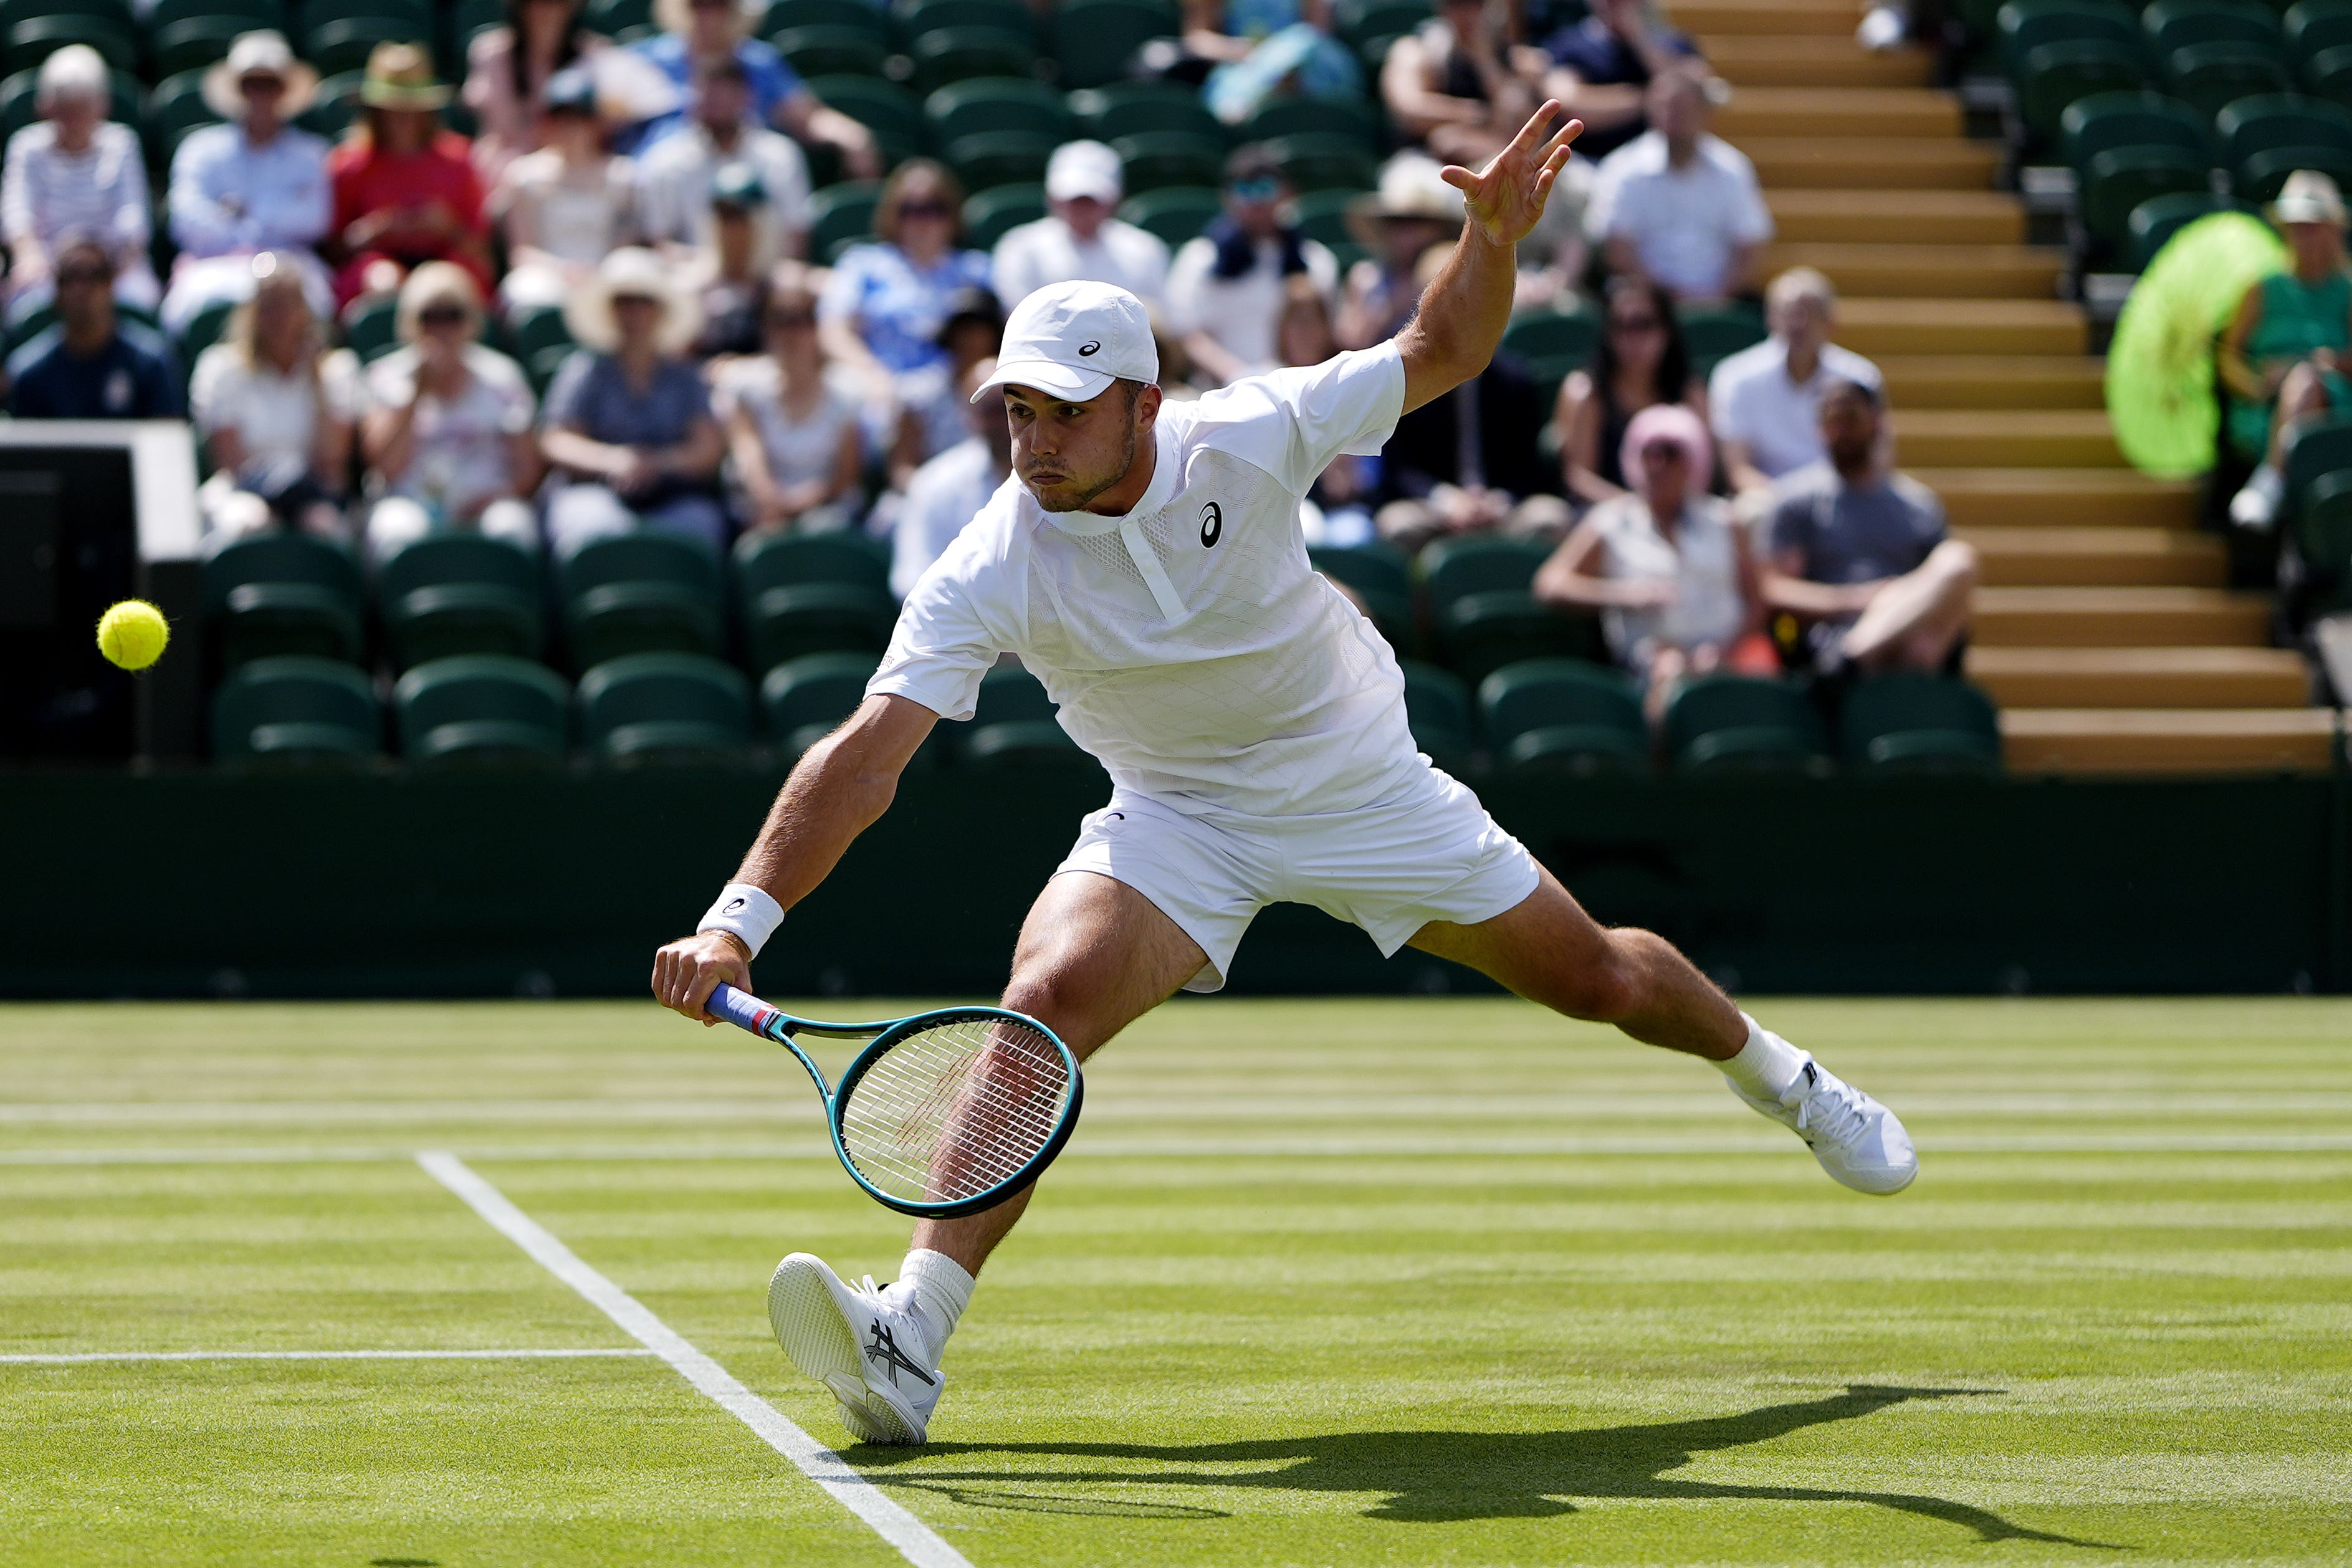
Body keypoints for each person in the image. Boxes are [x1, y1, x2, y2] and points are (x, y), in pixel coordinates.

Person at [650, 105, 1916, 1450]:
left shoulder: (1248, 432)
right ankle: (911, 1333)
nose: (1034, 438)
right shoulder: (989, 560)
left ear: (1143, 401)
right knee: (1043, 1004)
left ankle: (1785, 1078)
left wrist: (1487, 240)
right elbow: (866, 756)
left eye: (1065, 412)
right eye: (1018, 408)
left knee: (1601, 976)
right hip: (1178, 816)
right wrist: (740, 915)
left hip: (1360, 783)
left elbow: (1442, 351)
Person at [1533, 402, 1762, 720]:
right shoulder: (1612, 521)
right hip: (1651, 665)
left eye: (1670, 453)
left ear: (1692, 460)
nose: (1658, 465)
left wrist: (1723, 652)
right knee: (1669, 682)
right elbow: (1550, 583)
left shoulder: (1725, 521)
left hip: (1729, 656)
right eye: (1648, 453)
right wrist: (1624, 594)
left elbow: (1755, 601)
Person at [1761, 377, 1976, 675]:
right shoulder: (1796, 501)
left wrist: (1891, 601)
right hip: (1828, 638)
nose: (1840, 431)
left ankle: (1853, 659)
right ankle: (1851, 657)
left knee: (1959, 560)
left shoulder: (1919, 506)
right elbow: (1776, 589)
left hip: (1901, 638)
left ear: (1876, 422)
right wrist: (1856, 599)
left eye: (1850, 419)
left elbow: (1943, 594)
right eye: (1830, 421)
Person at [540, 246, 728, 552]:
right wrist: (611, 461)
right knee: (592, 530)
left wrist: (657, 464)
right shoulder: (585, 369)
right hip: (596, 493)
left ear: (660, 309)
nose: (634, 312)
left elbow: (707, 448)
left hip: (674, 498)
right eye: (624, 301)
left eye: (644, 301)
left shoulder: (685, 376)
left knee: (698, 529)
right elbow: (557, 439)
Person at [358, 262, 543, 560]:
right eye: (430, 317)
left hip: (486, 499)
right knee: (395, 532)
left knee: (512, 527)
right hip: (411, 500)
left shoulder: (502, 376)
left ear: (471, 319)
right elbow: (385, 468)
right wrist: (416, 392)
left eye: (452, 315)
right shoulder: (387, 377)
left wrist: (490, 498)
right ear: (410, 322)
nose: (442, 329)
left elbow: (527, 469)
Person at [163, 31, 335, 335]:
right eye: (251, 85)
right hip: (214, 267)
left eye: (270, 85)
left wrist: (242, 214)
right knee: (181, 312)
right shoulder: (199, 149)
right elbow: (187, 222)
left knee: (321, 305)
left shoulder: (311, 154)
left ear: (284, 91)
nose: (260, 95)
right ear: (238, 90)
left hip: (292, 266)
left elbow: (314, 219)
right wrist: (262, 226)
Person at [189, 252, 360, 540]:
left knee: (326, 526)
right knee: (250, 523)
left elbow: (332, 467)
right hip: (242, 490)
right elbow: (230, 463)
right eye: (268, 305)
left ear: (305, 310)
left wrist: (317, 381)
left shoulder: (337, 371)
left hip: (314, 495)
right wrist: (277, 497)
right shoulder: (221, 368)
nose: (279, 316)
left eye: (288, 303)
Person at [2224, 172, 2352, 529]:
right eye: (2296, 226)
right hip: (2264, 406)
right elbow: (2230, 357)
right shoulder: (2261, 288)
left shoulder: (2349, 291)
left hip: (2335, 402)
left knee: (2306, 381)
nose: (2304, 235)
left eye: (2313, 225)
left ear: (2333, 230)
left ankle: (2272, 480)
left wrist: (2331, 362)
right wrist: (2256, 383)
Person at [325, 44, 493, 310]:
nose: (403, 118)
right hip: (376, 267)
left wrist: (447, 227)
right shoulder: (348, 165)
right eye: (393, 108)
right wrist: (372, 232)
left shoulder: (459, 161)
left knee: (441, 290)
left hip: (443, 263)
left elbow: (482, 254)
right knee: (384, 282)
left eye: (412, 107)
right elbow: (331, 252)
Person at [629, 0, 878, 178]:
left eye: (717, 5)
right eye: (699, 5)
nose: (707, 14)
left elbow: (806, 115)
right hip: (665, 178)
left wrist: (851, 136)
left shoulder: (759, 61)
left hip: (745, 173)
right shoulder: (650, 61)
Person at [1, 46, 158, 323]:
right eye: (64, 108)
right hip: (47, 267)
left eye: (80, 108)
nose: (72, 119)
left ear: (101, 106)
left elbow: (133, 220)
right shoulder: (26, 146)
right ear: (46, 106)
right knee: (26, 303)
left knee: (138, 299)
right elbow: (17, 214)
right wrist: (30, 254)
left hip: (113, 267)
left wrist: (108, 269)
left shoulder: (122, 143)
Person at [818, 160, 993, 408]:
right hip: (878, 389)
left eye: (934, 208)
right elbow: (835, 331)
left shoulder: (977, 270)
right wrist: (872, 376)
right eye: (910, 209)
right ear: (893, 214)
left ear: (952, 214)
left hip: (957, 395)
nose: (922, 220)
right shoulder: (863, 264)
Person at [1584, 70, 1770, 304]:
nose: (1674, 116)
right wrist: (1664, 301)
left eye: (1684, 108)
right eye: (1666, 107)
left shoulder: (1733, 169)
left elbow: (1751, 246)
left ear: (1705, 112)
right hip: (1645, 308)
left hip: (1720, 305)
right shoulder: (1623, 169)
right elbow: (1616, 250)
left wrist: (1717, 297)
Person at [1164, 145, 1340, 385]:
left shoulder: (1316, 260)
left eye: (1265, 189)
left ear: (1287, 193)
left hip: (1298, 392)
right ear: (1227, 197)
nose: (1256, 201)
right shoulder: (1199, 259)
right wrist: (1241, 379)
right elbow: (1190, 335)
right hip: (1219, 394)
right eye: (1245, 190)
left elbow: (1322, 336)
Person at [1709, 267, 1883, 500]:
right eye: (1788, 312)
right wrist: (1789, 504)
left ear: (1830, 322)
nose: (1798, 323)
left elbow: (1878, 458)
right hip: (1767, 501)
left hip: (1844, 498)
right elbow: (1738, 470)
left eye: (1809, 312)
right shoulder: (1736, 376)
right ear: (1769, 318)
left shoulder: (1861, 376)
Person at [718, 272, 864, 535]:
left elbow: (844, 478)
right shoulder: (742, 384)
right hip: (760, 511)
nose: (792, 331)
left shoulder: (847, 391)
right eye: (781, 319)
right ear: (765, 327)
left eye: (803, 319)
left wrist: (800, 502)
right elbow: (748, 454)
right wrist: (771, 501)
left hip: (826, 512)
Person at [490, 65, 643, 316]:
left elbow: (624, 244)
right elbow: (522, 252)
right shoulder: (523, 176)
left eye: (578, 120)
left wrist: (594, 273)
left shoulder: (623, 177)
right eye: (561, 120)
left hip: (605, 275)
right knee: (525, 290)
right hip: (547, 276)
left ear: (595, 124)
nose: (569, 129)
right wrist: (564, 271)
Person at [464, 0, 671, 182]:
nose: (546, 10)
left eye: (557, 2)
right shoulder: (490, 53)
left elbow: (609, 125)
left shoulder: (597, 54)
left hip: (575, 170)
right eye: (534, 2)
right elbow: (499, 129)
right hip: (509, 173)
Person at [634, 54, 810, 264]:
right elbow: (658, 241)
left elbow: (796, 235)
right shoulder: (665, 160)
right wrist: (707, 267)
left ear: (746, 97)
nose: (714, 103)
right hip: (692, 275)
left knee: (793, 285)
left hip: (767, 275)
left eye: (724, 94)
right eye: (707, 93)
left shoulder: (780, 154)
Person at [1557, 274, 1708, 506]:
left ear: (1667, 331)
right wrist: (1636, 511)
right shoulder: (1587, 393)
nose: (1633, 338)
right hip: (1606, 512)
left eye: (1644, 324)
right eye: (1621, 326)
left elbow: (1701, 472)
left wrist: (1667, 511)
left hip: (1680, 511)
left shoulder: (1690, 392)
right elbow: (1579, 477)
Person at [4, 237, 181, 419]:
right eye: (70, 277)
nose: (81, 289)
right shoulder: (29, 374)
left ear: (112, 285)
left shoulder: (150, 363)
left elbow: (166, 439)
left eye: (95, 275)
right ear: (57, 291)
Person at [990, 141, 1171, 313]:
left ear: (1115, 200)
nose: (1081, 208)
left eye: (1091, 201)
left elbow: (1156, 322)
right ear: (1052, 198)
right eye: (1073, 200)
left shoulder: (1146, 250)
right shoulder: (1019, 247)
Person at [889, 356, 1011, 598]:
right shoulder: (934, 483)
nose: (1008, 420)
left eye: (1016, 407)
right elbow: (911, 579)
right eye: (993, 410)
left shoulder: (1062, 475)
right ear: (969, 414)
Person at [1276, 277, 1379, 545]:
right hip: (1282, 510)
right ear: (1281, 329)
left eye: (1312, 321)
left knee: (1354, 536)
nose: (1304, 332)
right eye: (1296, 322)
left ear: (1326, 327)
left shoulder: (1346, 383)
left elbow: (1363, 474)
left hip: (1341, 508)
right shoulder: (1257, 383)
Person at [1381, 0, 1541, 169]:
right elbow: (1411, 109)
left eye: (1477, 4)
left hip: (1493, 160)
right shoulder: (1416, 49)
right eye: (1459, 4)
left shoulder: (1504, 55)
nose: (1469, 13)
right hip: (1423, 162)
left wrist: (1486, 62)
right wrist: (1477, 115)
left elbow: (1520, 117)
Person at [1537, 0, 1701, 162]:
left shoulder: (1674, 43)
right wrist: (1647, 100)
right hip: (1589, 165)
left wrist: (1638, 38)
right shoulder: (1568, 46)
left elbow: (1692, 93)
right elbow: (1569, 105)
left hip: (1661, 164)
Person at [1336, 154, 1461, 350]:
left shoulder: (1454, 271)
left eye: (1417, 222)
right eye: (1397, 222)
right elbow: (1353, 342)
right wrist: (1391, 307)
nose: (1406, 234)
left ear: (1439, 228)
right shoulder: (1366, 278)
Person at [886, 285, 1005, 490]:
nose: (970, 339)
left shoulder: (1019, 393)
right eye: (963, 330)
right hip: (931, 495)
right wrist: (930, 495)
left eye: (979, 330)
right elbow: (903, 466)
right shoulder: (920, 395)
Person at [687, 162, 786, 361]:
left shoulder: (780, 287)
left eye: (738, 216)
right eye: (723, 216)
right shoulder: (695, 287)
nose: (730, 228)